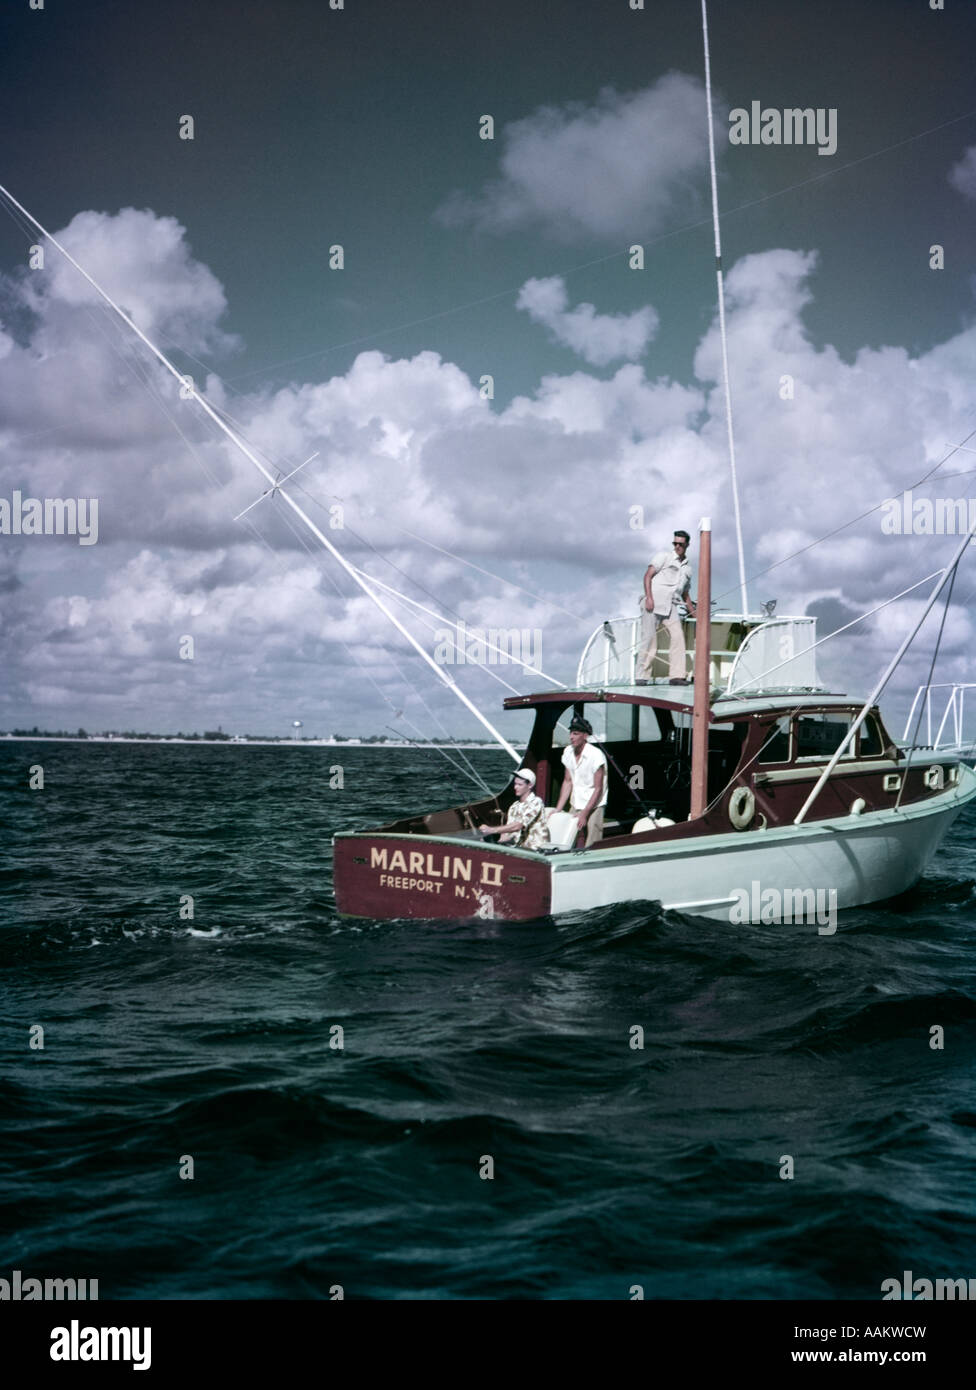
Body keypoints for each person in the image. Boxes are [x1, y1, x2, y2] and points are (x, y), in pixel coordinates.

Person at [637, 529, 698, 684]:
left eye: (680, 544)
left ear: (687, 545)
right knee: (649, 640)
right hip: (654, 602)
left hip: (671, 606)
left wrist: (695, 614)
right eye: (675, 543)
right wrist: (649, 598)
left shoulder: (688, 568)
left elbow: (685, 594)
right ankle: (642, 676)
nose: (677, 546)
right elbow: (647, 576)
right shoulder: (663, 557)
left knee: (678, 637)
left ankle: (676, 676)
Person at [553, 715, 607, 848]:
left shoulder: (596, 755)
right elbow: (567, 782)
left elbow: (598, 788)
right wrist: (558, 808)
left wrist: (585, 813)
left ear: (585, 736)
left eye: (575, 733)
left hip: (595, 803)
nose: (571, 737)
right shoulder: (567, 752)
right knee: (569, 836)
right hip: (576, 801)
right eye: (571, 733)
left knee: (592, 842)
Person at [479, 768, 550, 850]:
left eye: (520, 785)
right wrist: (489, 839)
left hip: (536, 850)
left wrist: (492, 830)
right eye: (515, 784)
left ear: (530, 785)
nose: (515, 787)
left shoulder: (536, 802)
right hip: (519, 849)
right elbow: (509, 834)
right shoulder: (514, 806)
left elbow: (518, 826)